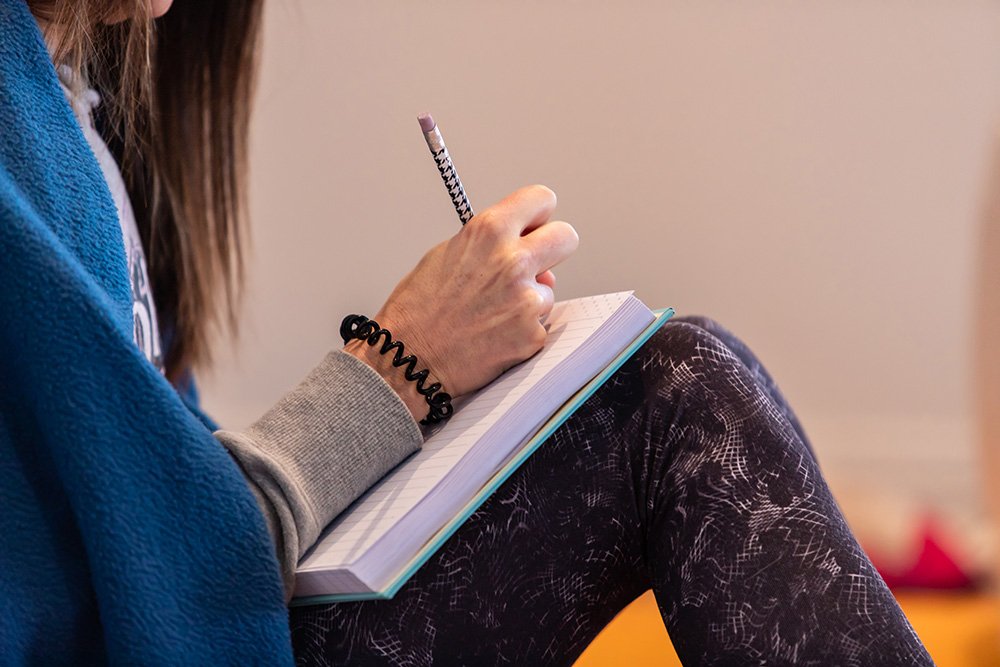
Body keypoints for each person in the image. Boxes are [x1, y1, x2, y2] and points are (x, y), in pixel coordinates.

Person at [0, 0, 934, 664]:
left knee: (687, 374)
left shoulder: (75, 117)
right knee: (681, 399)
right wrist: (401, 365)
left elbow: (158, 494)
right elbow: (135, 563)